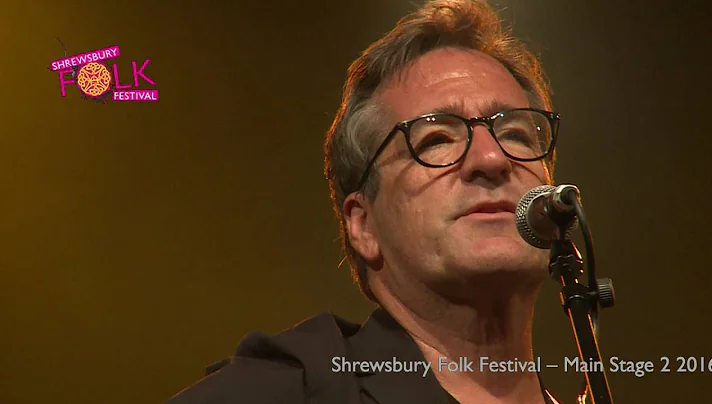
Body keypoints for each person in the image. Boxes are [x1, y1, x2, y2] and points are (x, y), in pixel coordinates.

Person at [166, 0, 566, 402]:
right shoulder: (291, 392)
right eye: (437, 140)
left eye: (515, 134)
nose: (492, 159)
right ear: (363, 224)